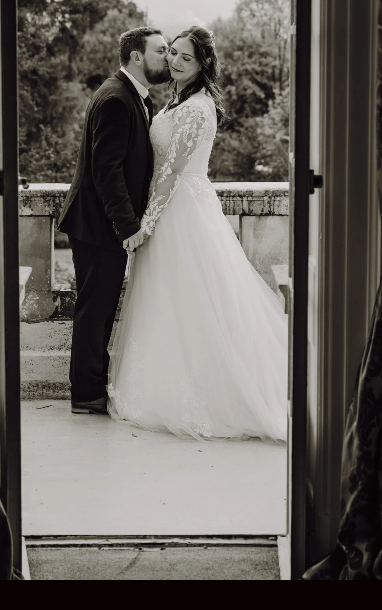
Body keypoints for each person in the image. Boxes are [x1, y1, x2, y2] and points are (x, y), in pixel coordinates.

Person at [107, 25, 289, 441]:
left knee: (193, 297)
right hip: (175, 207)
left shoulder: (194, 109)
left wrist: (145, 226)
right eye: (171, 52)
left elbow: (171, 172)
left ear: (202, 64)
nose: (173, 61)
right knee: (169, 299)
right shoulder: (176, 100)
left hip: (182, 210)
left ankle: (212, 393)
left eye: (185, 58)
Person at [58, 26, 169, 414]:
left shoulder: (133, 96)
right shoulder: (116, 99)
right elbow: (106, 171)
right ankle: (86, 394)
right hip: (98, 226)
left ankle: (93, 387)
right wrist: (129, 227)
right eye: (161, 50)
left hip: (102, 225)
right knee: (95, 308)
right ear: (137, 57)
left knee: (102, 307)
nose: (168, 57)